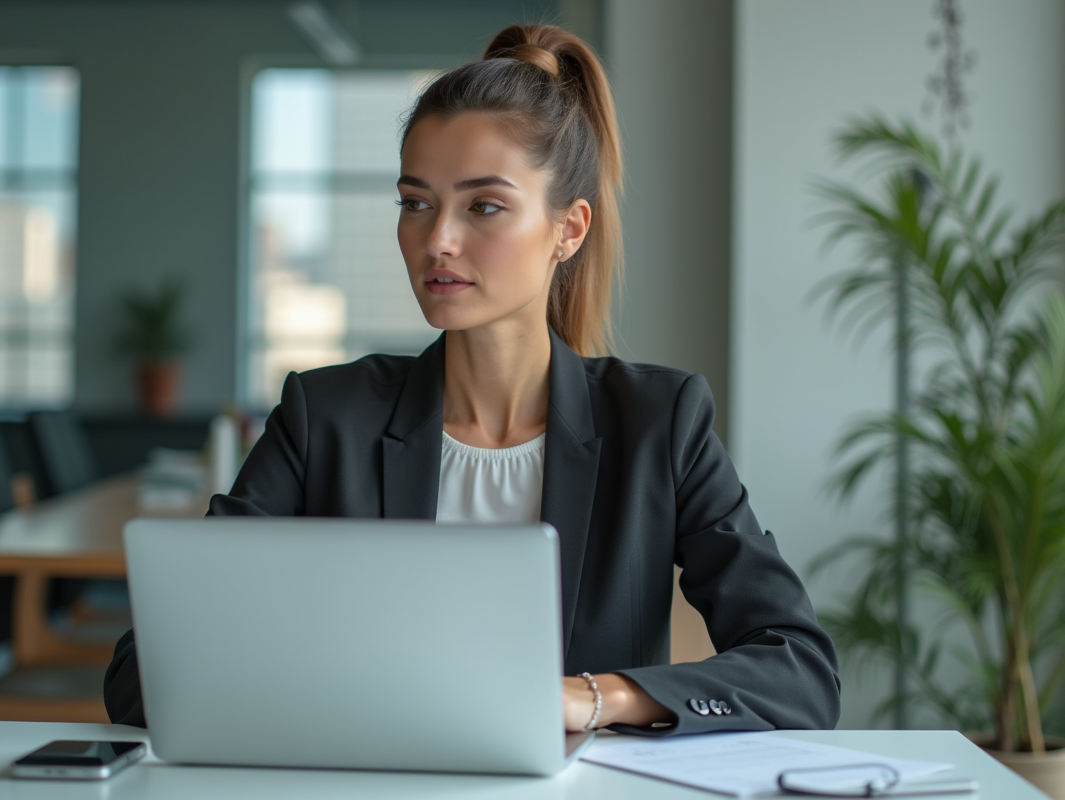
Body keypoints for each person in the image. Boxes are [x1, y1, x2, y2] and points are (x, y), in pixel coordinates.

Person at [104, 23, 840, 735]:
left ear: (568, 230)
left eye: (484, 206)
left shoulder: (659, 422)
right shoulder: (325, 417)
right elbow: (142, 677)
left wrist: (589, 699)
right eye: (416, 203)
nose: (438, 240)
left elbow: (800, 670)